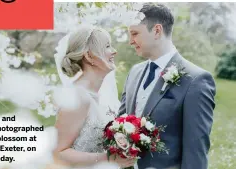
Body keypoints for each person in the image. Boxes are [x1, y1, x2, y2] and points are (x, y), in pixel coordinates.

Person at [118, 3, 216, 169]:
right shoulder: (134, 72)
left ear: (157, 31)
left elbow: (195, 152)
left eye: (135, 34)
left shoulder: (196, 80)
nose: (130, 41)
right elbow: (120, 124)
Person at [53, 25, 136, 169]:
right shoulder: (78, 97)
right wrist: (108, 158)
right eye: (107, 46)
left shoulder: (101, 96)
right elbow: (58, 153)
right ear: (89, 56)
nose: (114, 51)